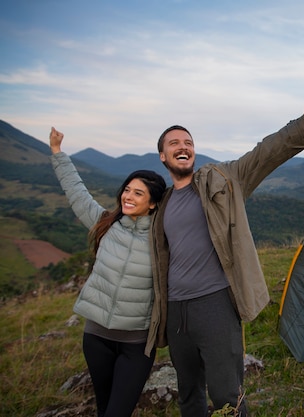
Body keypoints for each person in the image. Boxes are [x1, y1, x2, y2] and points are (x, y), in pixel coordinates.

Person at [145, 95, 304, 416]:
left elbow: (263, 155)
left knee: (226, 393)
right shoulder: (162, 204)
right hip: (176, 311)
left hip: (214, 304)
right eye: (174, 143)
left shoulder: (223, 179)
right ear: (163, 155)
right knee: (188, 393)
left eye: (187, 141)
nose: (182, 145)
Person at [49, 127, 167, 417]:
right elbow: (77, 193)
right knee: (104, 408)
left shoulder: (163, 239)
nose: (128, 196)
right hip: (97, 338)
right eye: (127, 189)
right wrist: (57, 153)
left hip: (137, 344)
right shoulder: (106, 223)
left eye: (138, 193)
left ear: (153, 203)